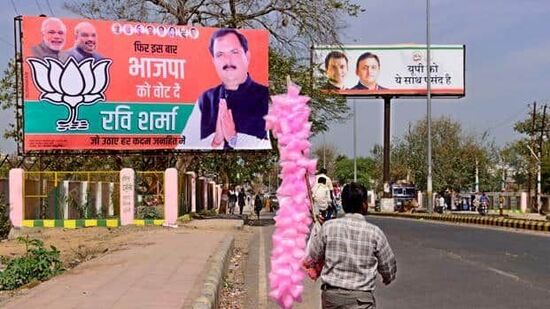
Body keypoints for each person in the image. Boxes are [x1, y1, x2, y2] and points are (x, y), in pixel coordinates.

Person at [305, 182, 397, 308]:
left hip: (332, 299)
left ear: (343, 204)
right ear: (364, 205)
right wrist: (387, 278)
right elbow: (389, 268)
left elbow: (312, 256)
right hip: (361, 300)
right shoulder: (375, 233)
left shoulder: (328, 228)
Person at [178, 28, 270, 150]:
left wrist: (233, 138)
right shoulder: (206, 99)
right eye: (220, 55)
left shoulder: (264, 97)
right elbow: (183, 144)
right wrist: (216, 140)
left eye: (234, 52)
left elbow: (271, 144)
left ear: (247, 56)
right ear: (214, 61)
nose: (228, 60)